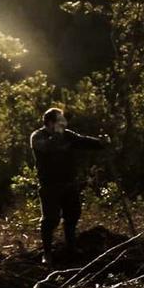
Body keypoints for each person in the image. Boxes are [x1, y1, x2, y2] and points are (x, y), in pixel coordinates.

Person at [29, 107, 109, 262]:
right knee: (50, 219)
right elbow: (47, 148)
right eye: (60, 120)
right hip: (50, 186)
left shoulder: (67, 135)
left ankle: (71, 248)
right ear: (51, 123)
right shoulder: (37, 137)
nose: (64, 123)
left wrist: (100, 143)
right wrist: (58, 134)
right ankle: (47, 253)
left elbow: (82, 141)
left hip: (69, 183)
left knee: (72, 215)